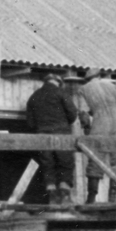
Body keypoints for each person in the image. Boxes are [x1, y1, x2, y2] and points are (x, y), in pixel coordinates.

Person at [77, 67, 116, 202]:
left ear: (87, 79)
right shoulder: (112, 86)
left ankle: (91, 198)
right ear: (99, 76)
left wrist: (86, 128)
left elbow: (84, 114)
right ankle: (112, 196)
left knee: (95, 160)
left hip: (100, 125)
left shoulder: (83, 89)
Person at [26, 73, 78, 205]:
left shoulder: (34, 96)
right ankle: (65, 197)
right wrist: (64, 123)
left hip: (42, 134)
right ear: (59, 82)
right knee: (65, 163)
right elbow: (72, 114)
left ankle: (52, 198)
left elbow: (30, 123)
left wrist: (42, 127)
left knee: (48, 164)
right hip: (61, 134)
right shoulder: (61, 93)